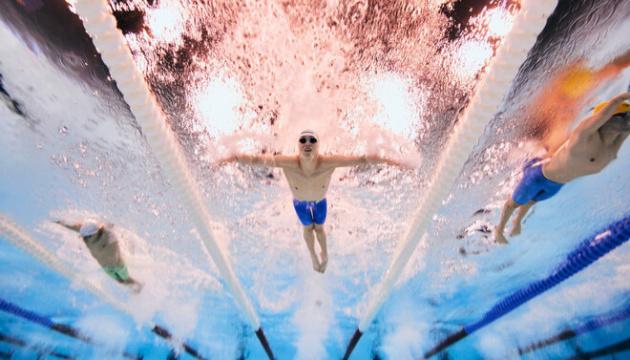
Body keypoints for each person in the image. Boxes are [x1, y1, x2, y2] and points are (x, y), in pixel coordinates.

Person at [219, 130, 411, 273]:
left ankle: (324, 255)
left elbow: (363, 159)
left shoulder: (328, 161)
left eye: (312, 140)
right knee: (307, 228)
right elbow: (255, 160)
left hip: (320, 202)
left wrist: (397, 162)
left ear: (318, 146)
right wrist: (230, 157)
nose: (307, 143)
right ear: (297, 145)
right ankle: (313, 256)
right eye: (303, 140)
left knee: (319, 228)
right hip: (300, 204)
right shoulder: (288, 161)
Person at [495, 92, 630, 244]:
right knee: (513, 204)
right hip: (538, 176)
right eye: (623, 116)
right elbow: (602, 115)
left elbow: (626, 127)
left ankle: (517, 222)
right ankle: (499, 230)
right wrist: (621, 97)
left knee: (532, 201)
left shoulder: (612, 148)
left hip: (557, 185)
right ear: (607, 119)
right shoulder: (584, 136)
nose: (627, 120)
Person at [55, 218, 143, 292]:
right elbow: (75, 227)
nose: (84, 238)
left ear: (94, 234)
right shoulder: (87, 234)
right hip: (106, 267)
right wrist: (61, 223)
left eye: (87, 236)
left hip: (119, 265)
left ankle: (139, 286)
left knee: (126, 279)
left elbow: (110, 228)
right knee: (120, 281)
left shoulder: (108, 235)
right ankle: (134, 286)